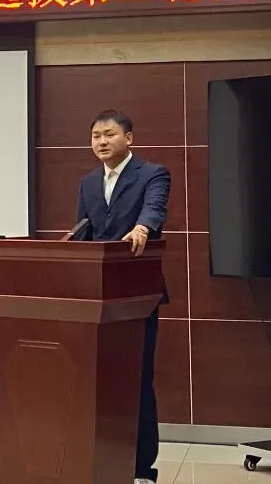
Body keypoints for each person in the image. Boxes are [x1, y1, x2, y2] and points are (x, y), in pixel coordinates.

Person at [74, 109, 171, 484]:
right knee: (99, 383)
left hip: (135, 294)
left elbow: (154, 210)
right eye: (95, 136)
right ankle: (101, 462)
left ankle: (142, 468)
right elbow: (83, 233)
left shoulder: (152, 174)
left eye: (109, 134)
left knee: (137, 379)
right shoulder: (88, 183)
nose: (101, 141)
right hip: (97, 298)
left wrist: (142, 228)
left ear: (128, 138)